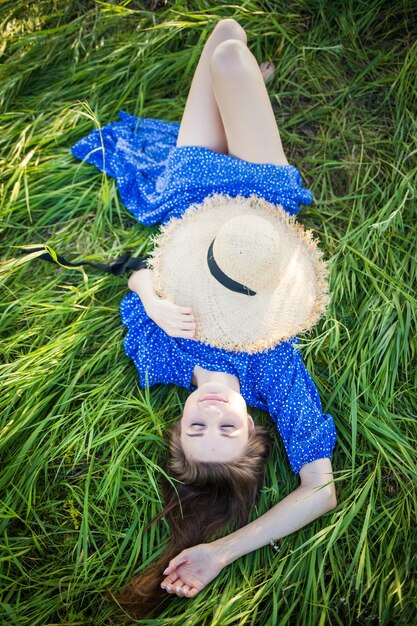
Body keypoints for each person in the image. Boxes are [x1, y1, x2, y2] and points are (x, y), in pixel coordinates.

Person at [71, 18, 338, 619]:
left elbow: (134, 272)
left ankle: (240, 98)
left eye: (196, 431)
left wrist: (154, 299)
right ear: (255, 433)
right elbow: (319, 490)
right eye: (229, 433)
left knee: (223, 31)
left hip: (190, 199)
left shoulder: (160, 359)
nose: (212, 420)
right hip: (259, 206)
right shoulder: (276, 378)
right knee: (228, 60)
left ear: (179, 423)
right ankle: (245, 91)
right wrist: (220, 552)